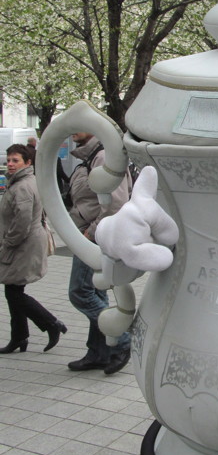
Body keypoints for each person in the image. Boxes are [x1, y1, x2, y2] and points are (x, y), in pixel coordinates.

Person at [67, 132, 132, 375]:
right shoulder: (91, 156)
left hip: (95, 237)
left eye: (81, 125)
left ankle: (122, 339)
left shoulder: (103, 156)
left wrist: (90, 233)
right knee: (95, 292)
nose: (74, 129)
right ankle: (100, 352)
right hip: (91, 234)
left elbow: (115, 205)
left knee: (80, 292)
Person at [0, 144, 67, 354]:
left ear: (27, 163)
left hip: (23, 244)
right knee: (13, 289)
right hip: (26, 241)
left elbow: (22, 222)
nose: (10, 164)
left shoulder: (22, 187)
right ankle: (20, 337)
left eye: (15, 160)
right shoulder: (25, 181)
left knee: (13, 290)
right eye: (8, 160)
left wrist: (8, 243)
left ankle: (51, 323)